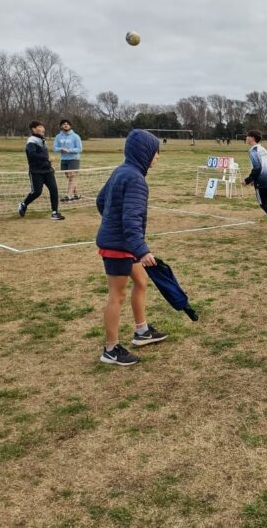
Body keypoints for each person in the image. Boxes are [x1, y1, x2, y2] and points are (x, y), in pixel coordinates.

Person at [96, 129, 168, 366]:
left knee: (141, 281)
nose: (157, 157)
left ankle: (142, 331)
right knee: (117, 295)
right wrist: (142, 249)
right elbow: (131, 219)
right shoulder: (135, 178)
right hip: (120, 245)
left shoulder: (123, 171)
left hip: (125, 243)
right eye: (155, 152)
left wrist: (112, 223)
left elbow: (101, 201)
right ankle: (110, 349)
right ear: (144, 152)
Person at [18, 121, 64, 220]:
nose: (43, 129)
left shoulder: (42, 140)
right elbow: (32, 155)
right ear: (34, 129)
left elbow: (44, 156)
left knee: (54, 189)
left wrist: (50, 165)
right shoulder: (31, 141)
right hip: (36, 171)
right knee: (37, 192)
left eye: (43, 127)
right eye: (40, 127)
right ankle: (23, 204)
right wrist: (47, 159)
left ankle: (55, 212)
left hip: (47, 170)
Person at [53, 119, 83, 202]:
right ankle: (77, 194)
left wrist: (69, 150)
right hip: (64, 159)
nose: (66, 125)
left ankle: (69, 196)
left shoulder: (75, 136)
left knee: (72, 176)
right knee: (69, 177)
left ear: (70, 126)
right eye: (64, 124)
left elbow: (79, 149)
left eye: (67, 124)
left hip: (74, 159)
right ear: (61, 126)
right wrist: (61, 149)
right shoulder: (58, 136)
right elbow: (55, 148)